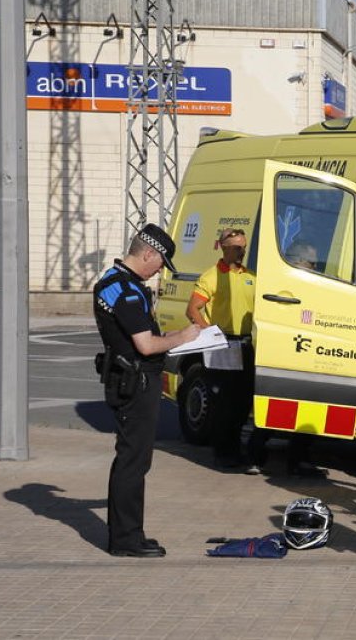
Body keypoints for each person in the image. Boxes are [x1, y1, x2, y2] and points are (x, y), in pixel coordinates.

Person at [94, 223, 199, 557]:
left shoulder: (115, 283)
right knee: (133, 461)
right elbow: (146, 345)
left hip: (130, 380)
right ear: (148, 253)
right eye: (160, 263)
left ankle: (130, 535)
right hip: (135, 382)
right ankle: (125, 540)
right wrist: (183, 337)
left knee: (133, 459)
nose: (159, 271)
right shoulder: (124, 290)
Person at [241, 239, 325, 477]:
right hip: (285, 355)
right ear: (298, 261)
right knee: (274, 411)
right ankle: (257, 457)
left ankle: (297, 459)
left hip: (306, 353)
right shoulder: (284, 285)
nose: (315, 267)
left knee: (308, 411)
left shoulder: (312, 285)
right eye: (312, 262)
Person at [186, 228, 256, 470]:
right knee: (223, 402)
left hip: (245, 343)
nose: (242, 251)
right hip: (223, 342)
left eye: (243, 246)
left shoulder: (251, 276)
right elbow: (193, 309)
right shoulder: (212, 276)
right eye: (237, 247)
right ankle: (222, 453)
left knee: (242, 402)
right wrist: (210, 333)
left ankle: (235, 451)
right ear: (224, 248)